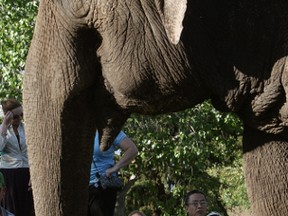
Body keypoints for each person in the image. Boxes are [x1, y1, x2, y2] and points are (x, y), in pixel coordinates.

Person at [88, 130, 138, 216]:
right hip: (82, 188)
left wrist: (115, 168)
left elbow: (132, 150)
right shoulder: (80, 129)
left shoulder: (108, 130)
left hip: (102, 187)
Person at [0, 99, 34, 216]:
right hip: (9, 174)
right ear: (7, 115)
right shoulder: (2, 129)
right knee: (11, 210)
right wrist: (4, 125)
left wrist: (33, 174)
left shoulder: (26, 128)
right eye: (15, 116)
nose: (19, 118)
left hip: (26, 173)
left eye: (21, 115)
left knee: (26, 209)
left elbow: (33, 152)